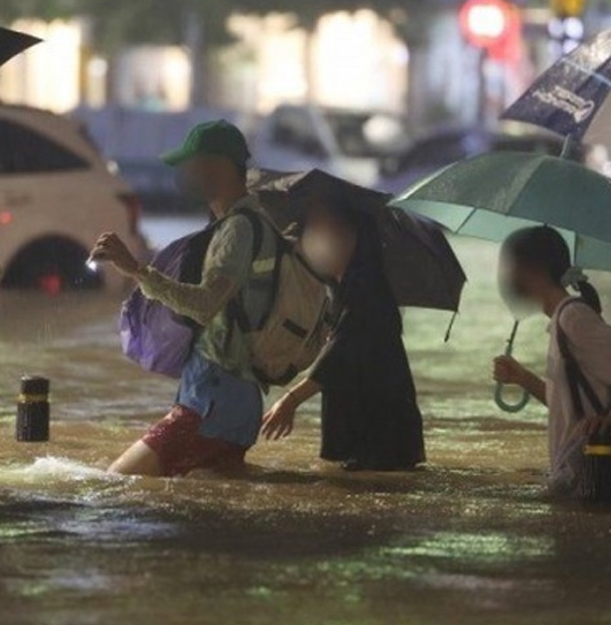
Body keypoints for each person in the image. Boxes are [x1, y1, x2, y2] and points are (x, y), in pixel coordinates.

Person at [93, 120, 275, 477]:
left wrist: (137, 270)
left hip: (212, 404)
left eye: (192, 164)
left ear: (219, 167)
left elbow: (206, 304)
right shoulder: (250, 222)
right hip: (230, 401)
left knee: (116, 482)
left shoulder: (237, 230)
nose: (185, 174)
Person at [491, 227, 611, 499]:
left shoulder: (573, 318)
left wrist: (610, 423)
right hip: (576, 478)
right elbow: (567, 405)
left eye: (512, 267)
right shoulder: (560, 321)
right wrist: (522, 378)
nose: (507, 277)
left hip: (591, 478)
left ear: (535, 270)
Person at [260, 199, 425, 471]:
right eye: (314, 233)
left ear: (354, 238)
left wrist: (290, 400)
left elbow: (338, 355)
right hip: (375, 435)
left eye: (329, 232)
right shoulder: (346, 289)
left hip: (379, 438)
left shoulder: (367, 291)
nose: (318, 242)